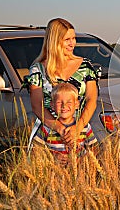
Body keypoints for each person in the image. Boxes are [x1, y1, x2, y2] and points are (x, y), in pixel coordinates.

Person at [26, 18, 98, 149]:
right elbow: (37, 105)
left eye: (74, 38)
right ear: (55, 41)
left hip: (81, 134)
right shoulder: (38, 70)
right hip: (48, 134)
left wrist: (78, 128)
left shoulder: (86, 66)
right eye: (67, 40)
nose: (72, 44)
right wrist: (61, 130)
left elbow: (91, 100)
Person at [32, 83, 98, 163]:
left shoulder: (85, 128)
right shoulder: (46, 128)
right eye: (59, 102)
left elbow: (94, 149)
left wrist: (82, 160)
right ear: (52, 105)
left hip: (80, 173)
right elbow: (36, 150)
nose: (64, 106)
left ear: (76, 104)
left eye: (69, 102)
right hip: (54, 173)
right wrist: (52, 157)